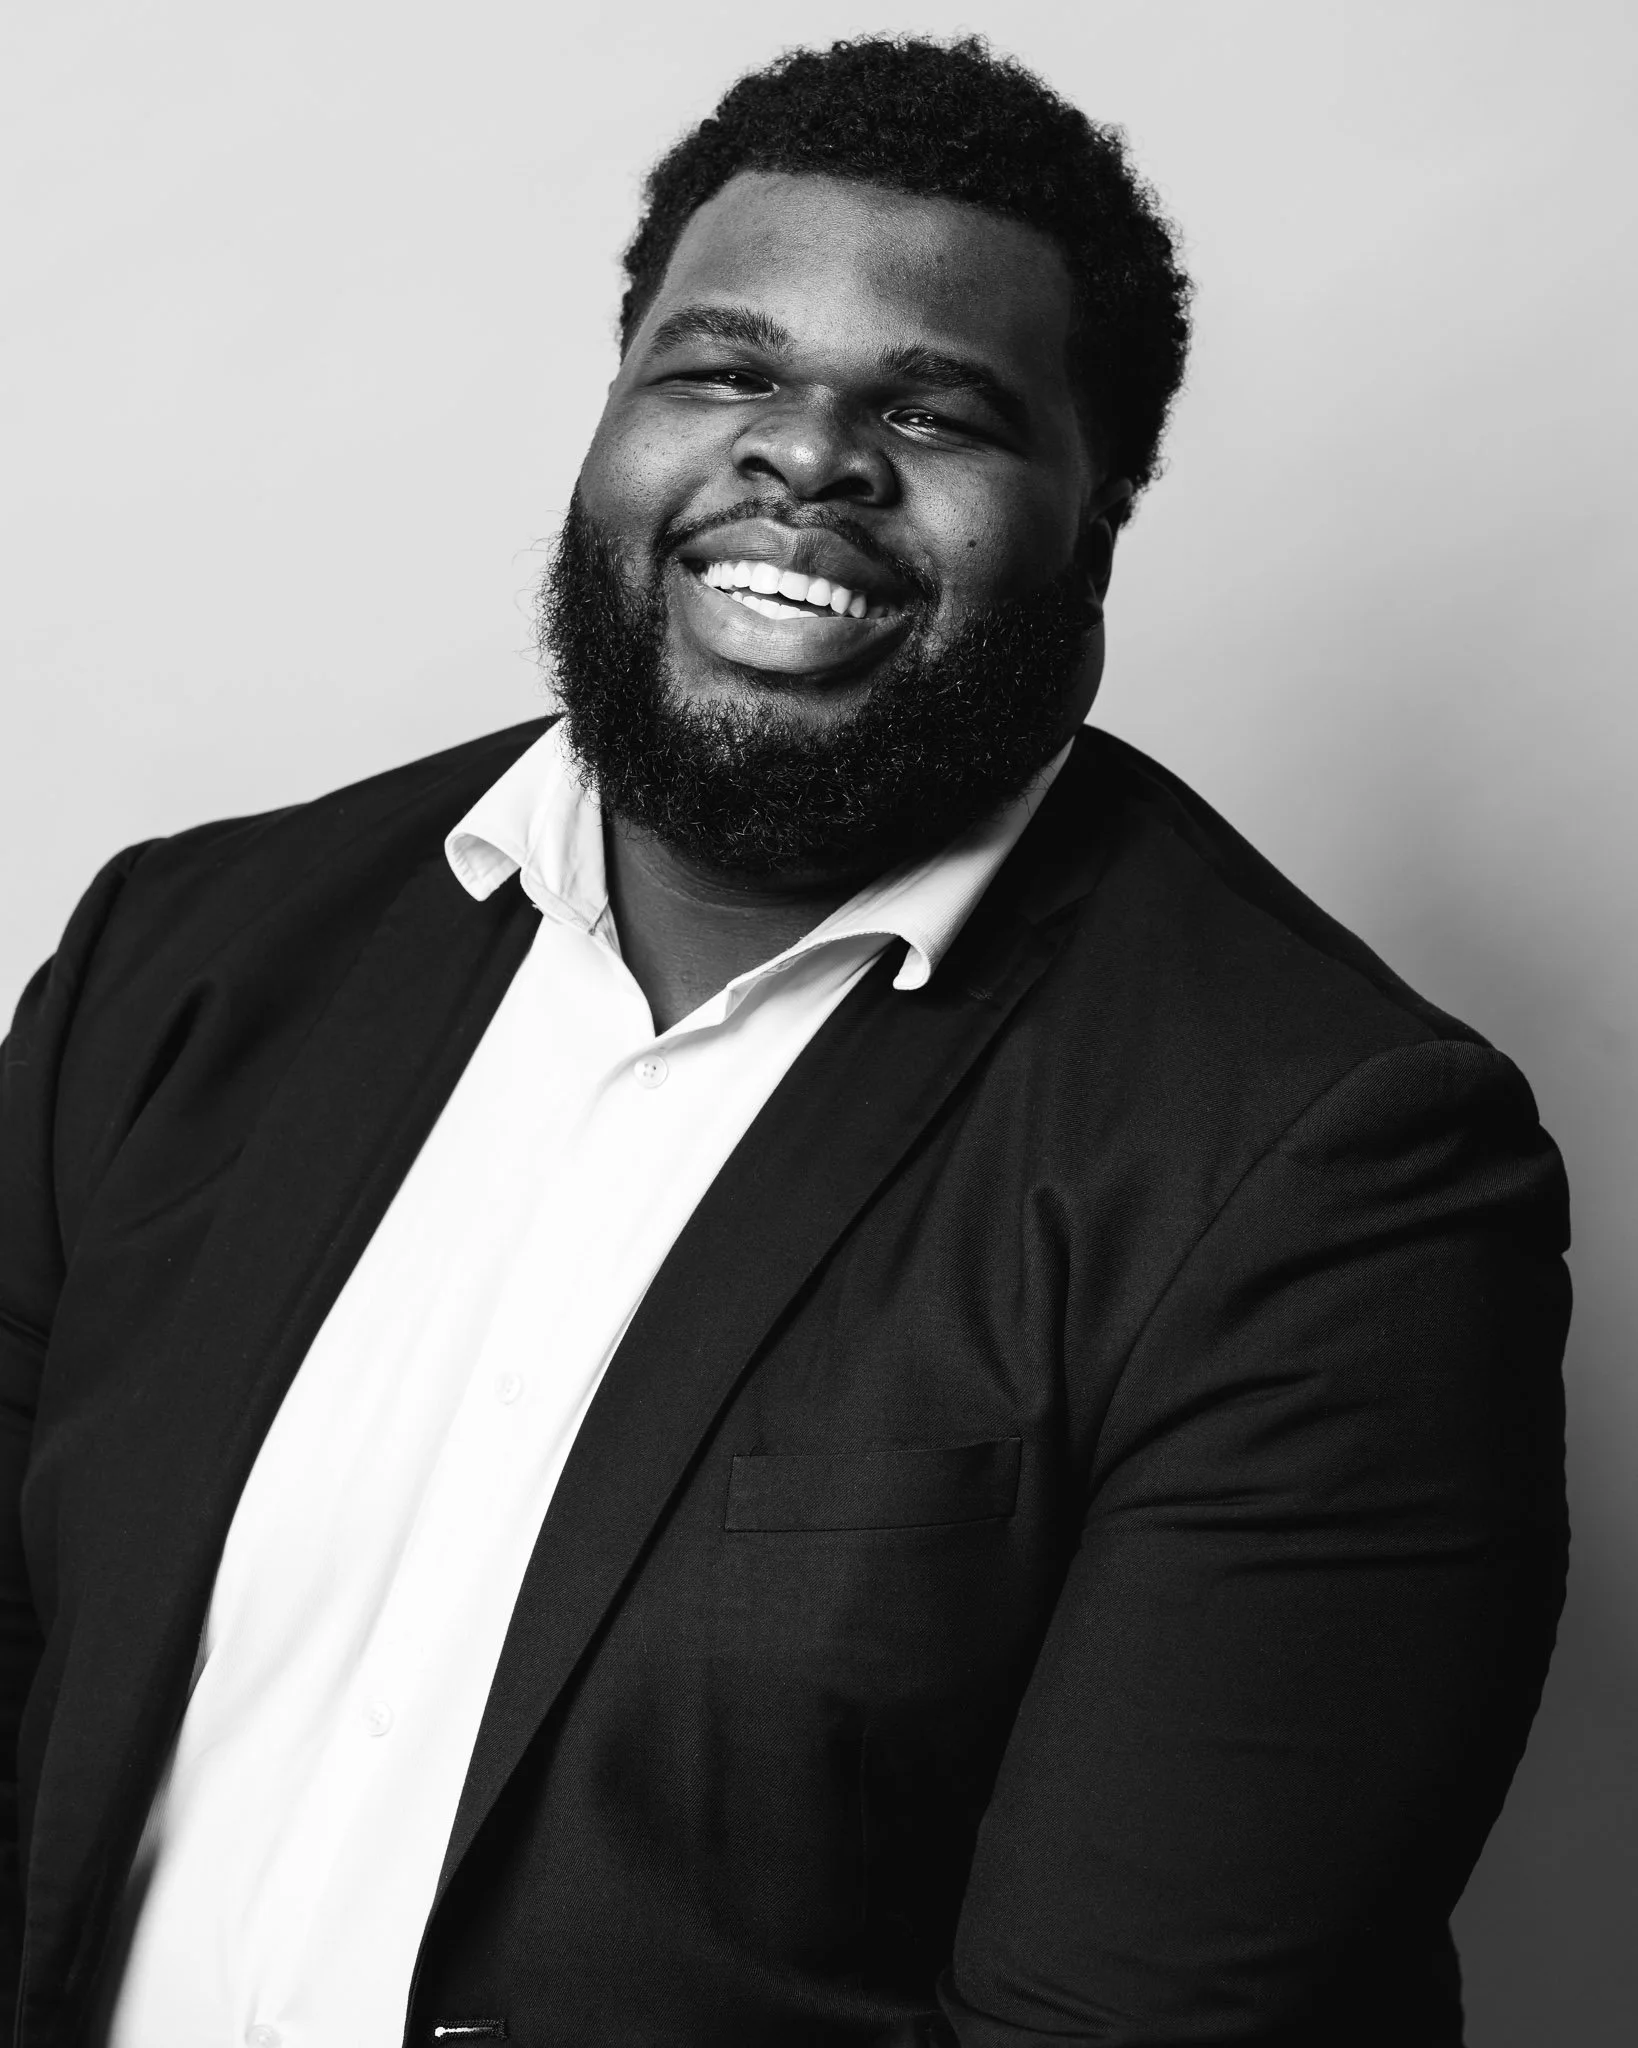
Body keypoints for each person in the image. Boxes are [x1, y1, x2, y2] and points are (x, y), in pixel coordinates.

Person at [0, 33, 1569, 2048]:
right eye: (723, 372)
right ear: (614, 416)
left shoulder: (1329, 1167)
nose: (805, 456)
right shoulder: (185, 955)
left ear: (1097, 519)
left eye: (935, 407)